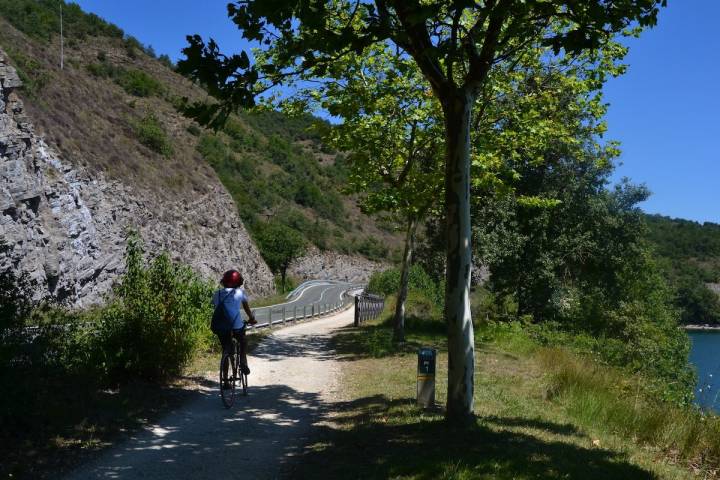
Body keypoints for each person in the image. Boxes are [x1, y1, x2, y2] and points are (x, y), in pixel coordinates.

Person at [212, 269, 257, 387]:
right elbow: (247, 310)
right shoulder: (240, 293)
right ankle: (242, 361)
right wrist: (252, 319)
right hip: (236, 326)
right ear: (238, 282)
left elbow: (217, 308)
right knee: (243, 340)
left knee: (226, 351)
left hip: (221, 327)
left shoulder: (217, 294)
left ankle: (226, 381)